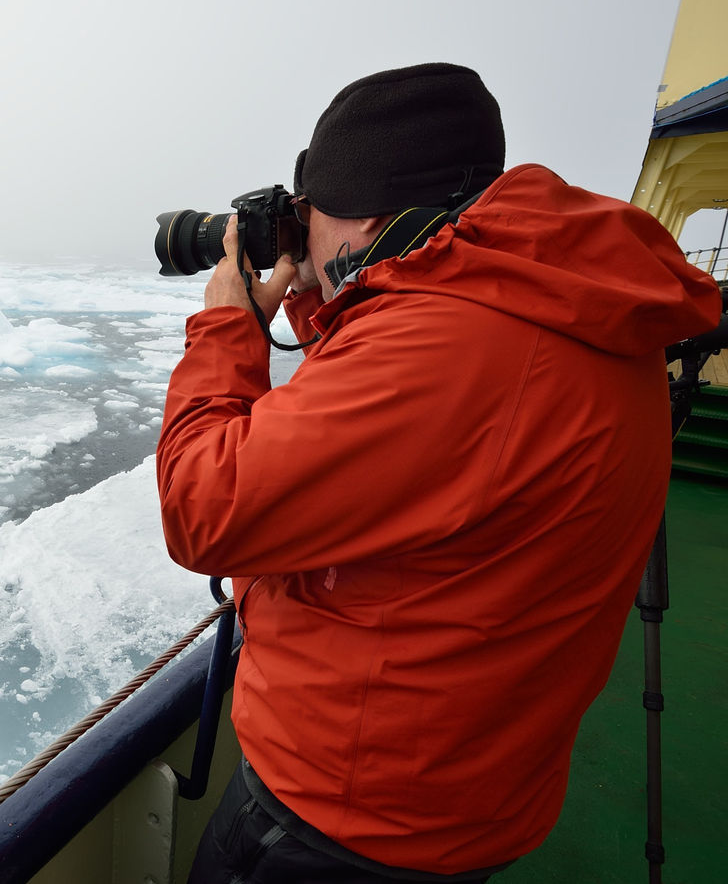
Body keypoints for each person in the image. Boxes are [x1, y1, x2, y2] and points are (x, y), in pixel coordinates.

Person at [155, 63, 723, 883]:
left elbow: (200, 508)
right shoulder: (553, 299)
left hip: (343, 824)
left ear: (363, 211)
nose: (300, 234)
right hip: (465, 793)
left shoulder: (449, 345)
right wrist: (338, 292)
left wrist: (225, 326)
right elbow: (397, 454)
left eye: (310, 215)